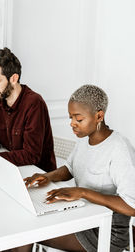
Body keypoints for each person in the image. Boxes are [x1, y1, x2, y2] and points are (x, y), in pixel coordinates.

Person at [16, 84, 135, 252]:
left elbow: (132, 206)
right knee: (23, 223)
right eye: (70, 117)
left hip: (107, 232)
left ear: (99, 116)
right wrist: (48, 177)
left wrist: (83, 192)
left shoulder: (119, 149)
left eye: (78, 119)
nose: (72, 124)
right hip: (82, 215)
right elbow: (70, 168)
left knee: (25, 233)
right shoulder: (84, 140)